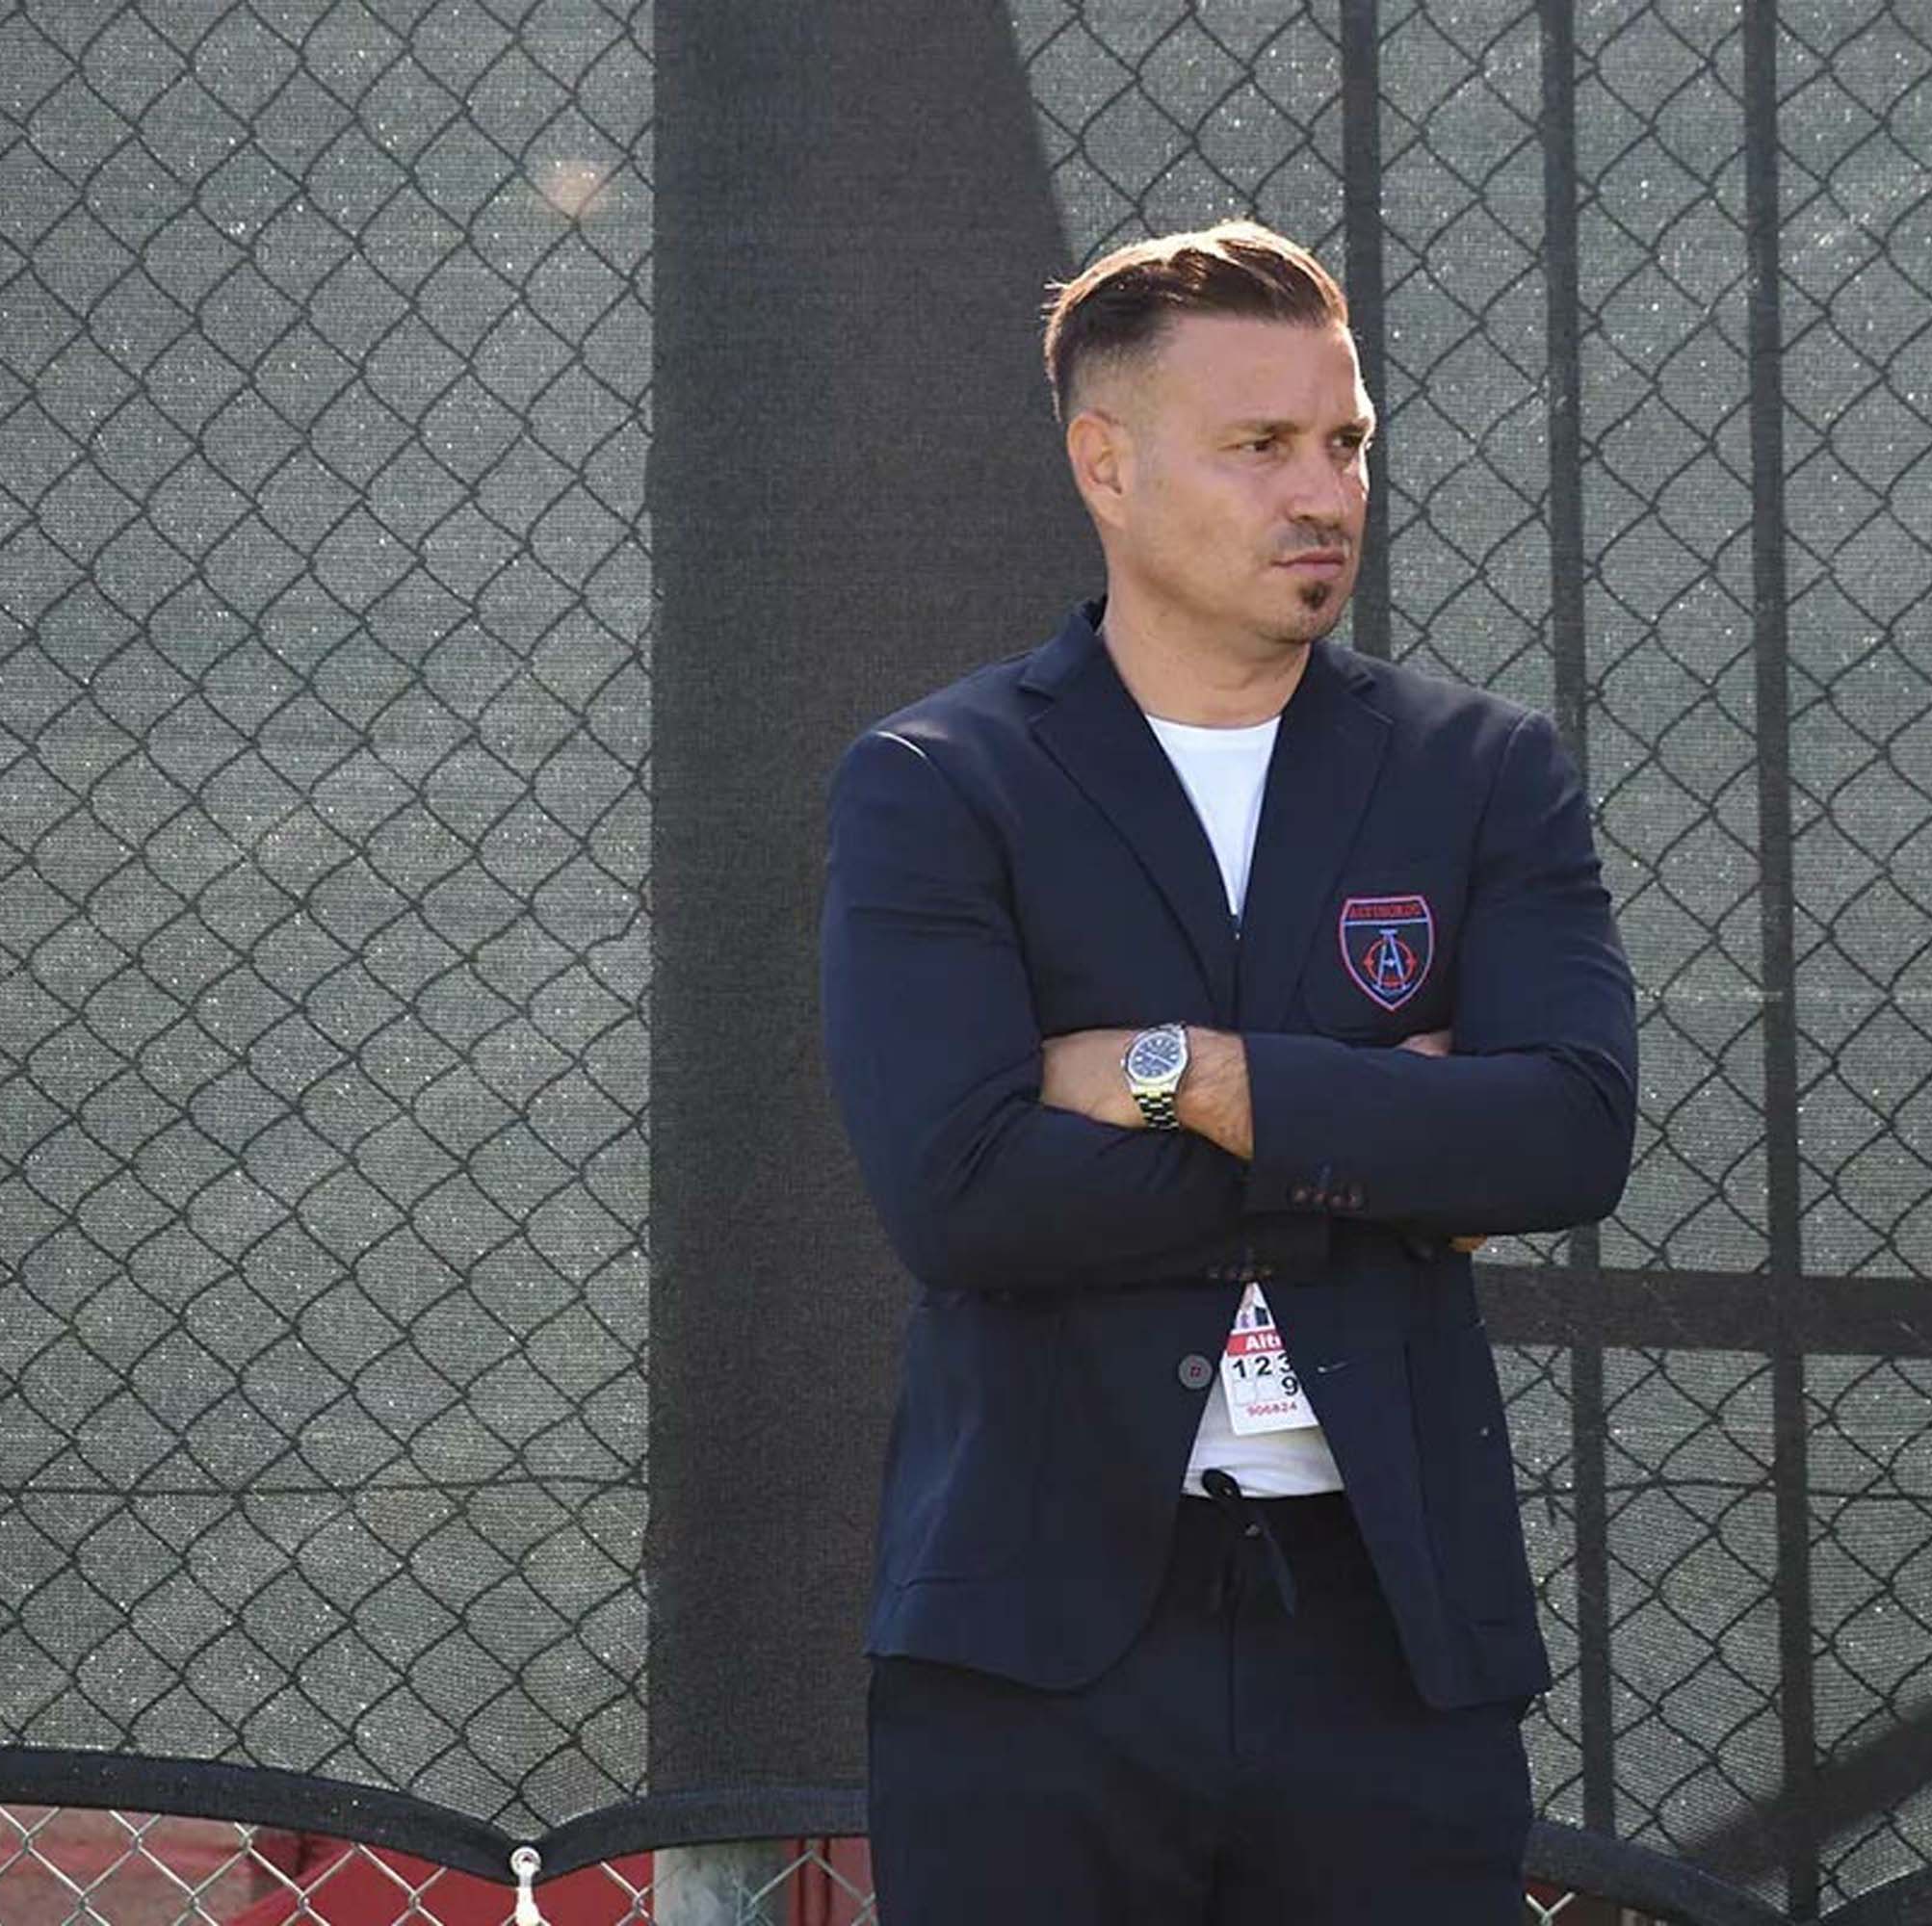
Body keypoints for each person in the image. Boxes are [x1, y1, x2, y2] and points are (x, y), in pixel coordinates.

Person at [818, 217, 1639, 1923]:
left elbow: (1565, 1137)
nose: (1324, 492)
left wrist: (1177, 1075)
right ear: (1106, 466)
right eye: (1260, 445)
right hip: (1034, 1647)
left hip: (1391, 1636)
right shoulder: (942, 779)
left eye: (1345, 441)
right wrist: (1386, 1143)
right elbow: (961, 1197)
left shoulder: (1480, 772)